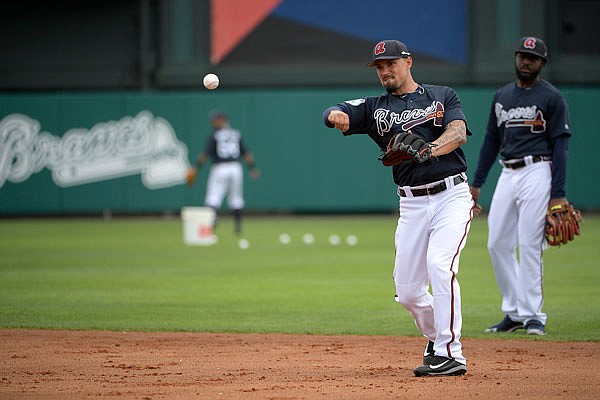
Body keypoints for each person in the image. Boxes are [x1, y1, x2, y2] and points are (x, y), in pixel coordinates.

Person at [323, 40, 474, 377]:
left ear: (408, 62)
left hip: (452, 196)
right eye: (379, 66)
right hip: (412, 203)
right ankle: (436, 338)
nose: (385, 70)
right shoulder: (376, 107)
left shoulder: (442, 95)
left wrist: (429, 150)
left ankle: (452, 354)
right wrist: (336, 117)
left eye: (391, 63)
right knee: (407, 292)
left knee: (440, 266)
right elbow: (338, 110)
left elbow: (459, 133)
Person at [470, 36, 572, 336]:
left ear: (542, 64)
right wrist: (477, 182)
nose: (526, 61)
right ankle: (514, 312)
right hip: (508, 171)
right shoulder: (502, 96)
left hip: (539, 169)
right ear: (515, 58)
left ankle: (533, 315)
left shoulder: (552, 98)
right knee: (496, 243)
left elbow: (561, 147)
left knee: (529, 243)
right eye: (522, 55)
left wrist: (559, 194)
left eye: (533, 57)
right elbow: (491, 141)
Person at [190, 110, 259, 236]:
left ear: (221, 120)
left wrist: (195, 167)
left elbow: (204, 155)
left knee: (213, 196)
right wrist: (252, 167)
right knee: (236, 198)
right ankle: (238, 227)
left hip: (220, 167)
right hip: (235, 167)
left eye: (216, 119)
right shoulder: (236, 134)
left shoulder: (214, 135)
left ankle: (214, 220)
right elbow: (247, 154)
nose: (213, 122)